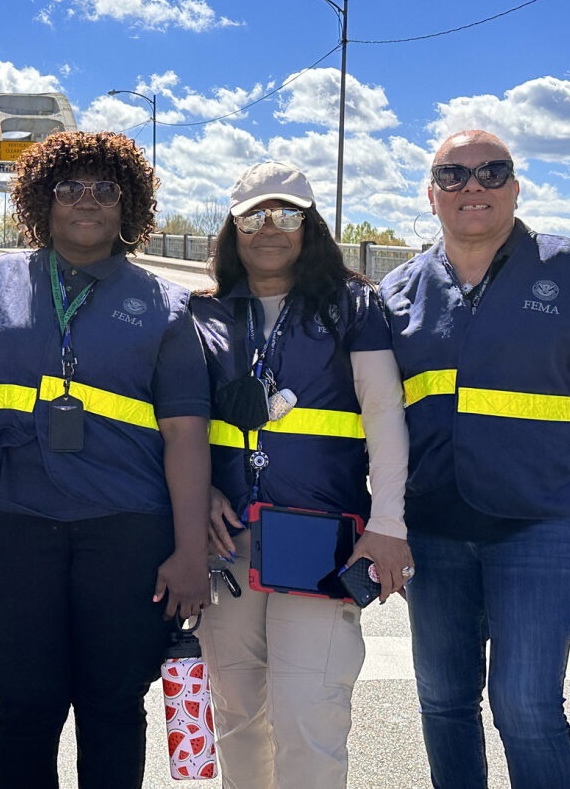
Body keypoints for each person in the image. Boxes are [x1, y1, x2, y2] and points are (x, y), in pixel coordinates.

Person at [0, 131, 210, 788]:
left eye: (106, 187)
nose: (87, 200)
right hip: (14, 529)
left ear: (131, 205)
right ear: (43, 199)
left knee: (112, 708)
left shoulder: (164, 307)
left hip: (125, 533)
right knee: (22, 710)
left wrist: (189, 552)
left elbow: (185, 434)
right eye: (70, 186)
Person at [189, 160, 412, 788]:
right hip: (225, 546)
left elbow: (385, 417)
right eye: (253, 214)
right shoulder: (201, 316)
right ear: (231, 228)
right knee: (236, 716)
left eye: (286, 213)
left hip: (319, 542)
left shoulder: (353, 307)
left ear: (309, 225)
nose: (270, 227)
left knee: (307, 716)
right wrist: (197, 492)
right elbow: (178, 426)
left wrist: (390, 522)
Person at [380, 130, 570, 788]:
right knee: (442, 701)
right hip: (433, 530)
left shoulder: (566, 270)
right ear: (430, 193)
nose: (474, 186)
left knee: (524, 704)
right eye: (454, 174)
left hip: (541, 522)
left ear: (516, 188)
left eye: (492, 172)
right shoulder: (398, 291)